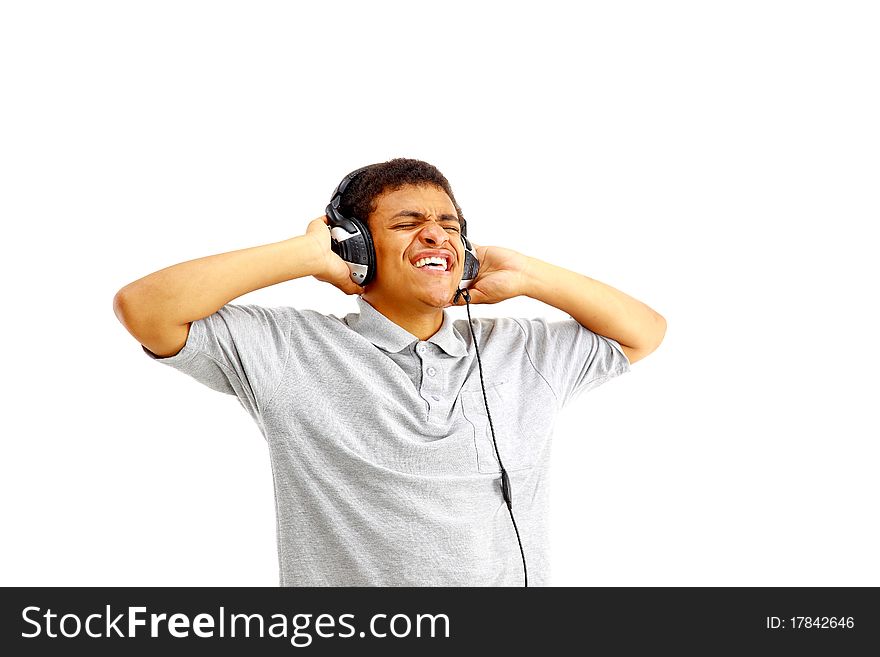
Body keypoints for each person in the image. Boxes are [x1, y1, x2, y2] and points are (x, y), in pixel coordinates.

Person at [112, 158, 666, 586]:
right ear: (356, 245)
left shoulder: (522, 349)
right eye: (408, 223)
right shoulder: (288, 349)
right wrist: (306, 255)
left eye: (450, 225)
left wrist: (530, 275)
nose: (436, 235)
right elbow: (144, 309)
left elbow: (644, 330)